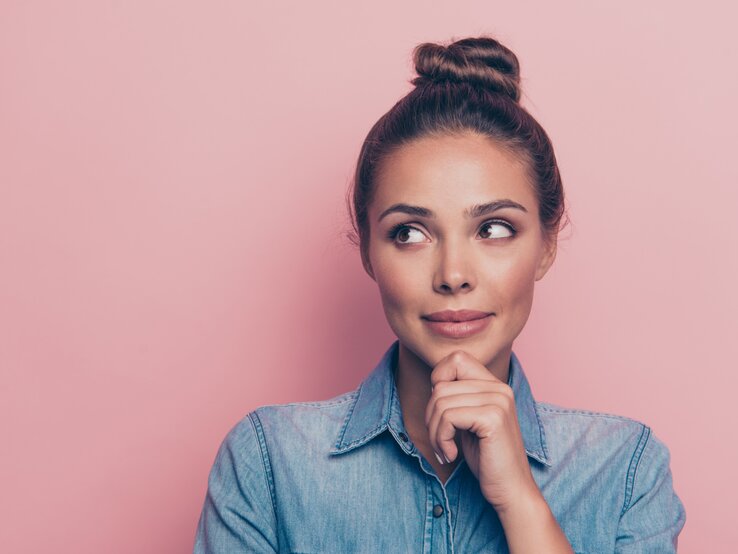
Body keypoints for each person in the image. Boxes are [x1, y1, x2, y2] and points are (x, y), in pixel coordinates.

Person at [193, 35, 686, 553]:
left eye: (494, 229)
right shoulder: (271, 462)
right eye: (409, 232)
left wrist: (520, 501)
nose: (453, 274)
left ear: (546, 245)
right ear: (367, 252)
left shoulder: (625, 469)